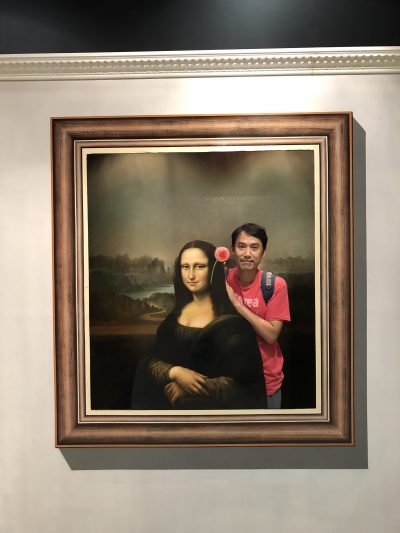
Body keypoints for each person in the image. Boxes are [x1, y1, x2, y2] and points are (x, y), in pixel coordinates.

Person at [131, 240, 266, 410]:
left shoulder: (232, 323)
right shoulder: (174, 317)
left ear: (213, 270)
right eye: (185, 267)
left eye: (199, 266)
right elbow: (151, 360)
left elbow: (244, 384)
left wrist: (191, 388)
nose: (191, 275)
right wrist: (176, 372)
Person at [226, 223, 291, 409]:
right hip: (227, 379)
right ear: (232, 250)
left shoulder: (275, 285)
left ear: (263, 252)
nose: (247, 253)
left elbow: (271, 335)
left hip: (266, 381)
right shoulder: (222, 280)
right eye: (241, 246)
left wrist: (237, 304)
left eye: (254, 247)